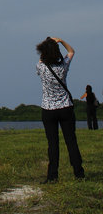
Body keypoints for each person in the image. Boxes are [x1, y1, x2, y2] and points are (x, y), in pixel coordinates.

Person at [36, 36, 84, 183]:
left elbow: (41, 59)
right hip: (65, 107)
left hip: (48, 109)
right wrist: (61, 41)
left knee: (53, 143)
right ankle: (78, 173)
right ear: (56, 52)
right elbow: (71, 51)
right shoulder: (63, 65)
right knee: (71, 141)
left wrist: (47, 46)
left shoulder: (41, 67)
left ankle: (52, 176)